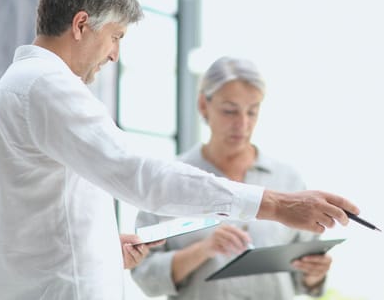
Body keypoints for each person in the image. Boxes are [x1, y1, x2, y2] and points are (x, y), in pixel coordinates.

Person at [0, 0, 360, 300]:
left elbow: (37, 213)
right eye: (115, 36)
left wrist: (98, 248)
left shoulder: (17, 87)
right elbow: (141, 176)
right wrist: (278, 205)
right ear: (81, 24)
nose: (114, 54)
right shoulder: (48, 87)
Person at [131, 57, 332, 299]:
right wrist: (203, 249)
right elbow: (144, 274)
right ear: (204, 105)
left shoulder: (288, 180)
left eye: (252, 112)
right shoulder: (169, 179)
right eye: (230, 110)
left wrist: (314, 274)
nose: (242, 124)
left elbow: (304, 277)